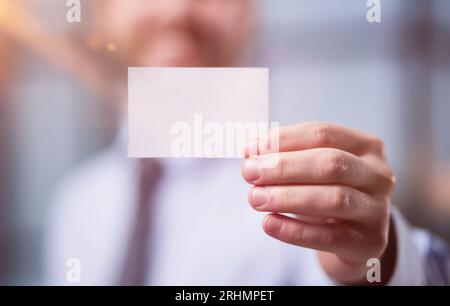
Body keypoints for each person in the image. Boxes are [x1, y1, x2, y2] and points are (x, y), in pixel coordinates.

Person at [44, 0, 431, 285]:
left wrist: (377, 260)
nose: (177, 10)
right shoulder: (77, 204)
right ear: (103, 11)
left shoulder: (303, 194)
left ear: (251, 14)